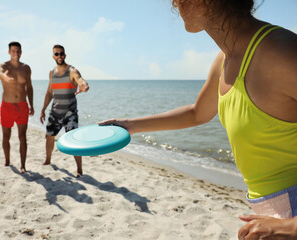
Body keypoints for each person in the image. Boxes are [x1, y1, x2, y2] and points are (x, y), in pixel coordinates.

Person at [99, 0, 297, 239]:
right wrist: (130, 125)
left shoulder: (279, 51)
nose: (174, 4)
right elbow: (197, 112)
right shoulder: (224, 59)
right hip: (269, 209)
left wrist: (292, 226)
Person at [40, 44, 89, 177]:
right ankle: (48, 160)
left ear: (65, 55)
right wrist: (43, 109)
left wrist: (84, 85)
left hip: (70, 113)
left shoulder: (72, 71)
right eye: (56, 54)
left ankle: (79, 169)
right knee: (49, 136)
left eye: (61, 53)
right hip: (55, 111)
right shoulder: (52, 73)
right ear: (53, 56)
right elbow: (50, 92)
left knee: (74, 140)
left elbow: (80, 79)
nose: (59, 56)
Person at [0, 41, 34, 174]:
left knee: (22, 136)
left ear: (21, 52)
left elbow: (29, 87)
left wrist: (32, 105)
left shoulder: (26, 68)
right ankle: (7, 160)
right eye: (13, 51)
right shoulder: (3, 65)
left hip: (22, 106)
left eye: (18, 51)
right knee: (6, 135)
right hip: (7, 106)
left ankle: (23, 165)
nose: (15, 53)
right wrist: (4, 77)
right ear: (8, 52)